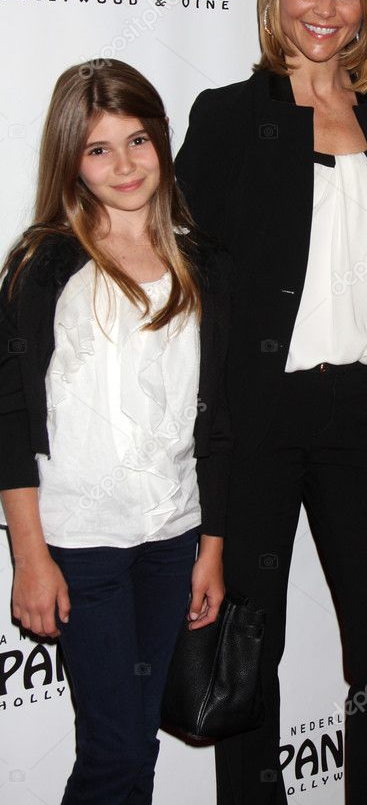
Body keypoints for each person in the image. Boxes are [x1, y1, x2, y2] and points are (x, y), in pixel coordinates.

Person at [175, 0, 367, 805]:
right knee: (250, 643)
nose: (326, 8)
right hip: (264, 418)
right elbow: (185, 284)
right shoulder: (232, 116)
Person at [0, 59, 230, 805]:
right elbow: (8, 416)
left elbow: (220, 419)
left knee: (137, 750)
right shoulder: (44, 262)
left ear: (161, 142)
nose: (124, 164)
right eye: (99, 149)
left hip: (170, 539)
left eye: (137, 140)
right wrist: (29, 556)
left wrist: (212, 549)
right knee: (117, 746)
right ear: (72, 158)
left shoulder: (198, 261)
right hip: (81, 542)